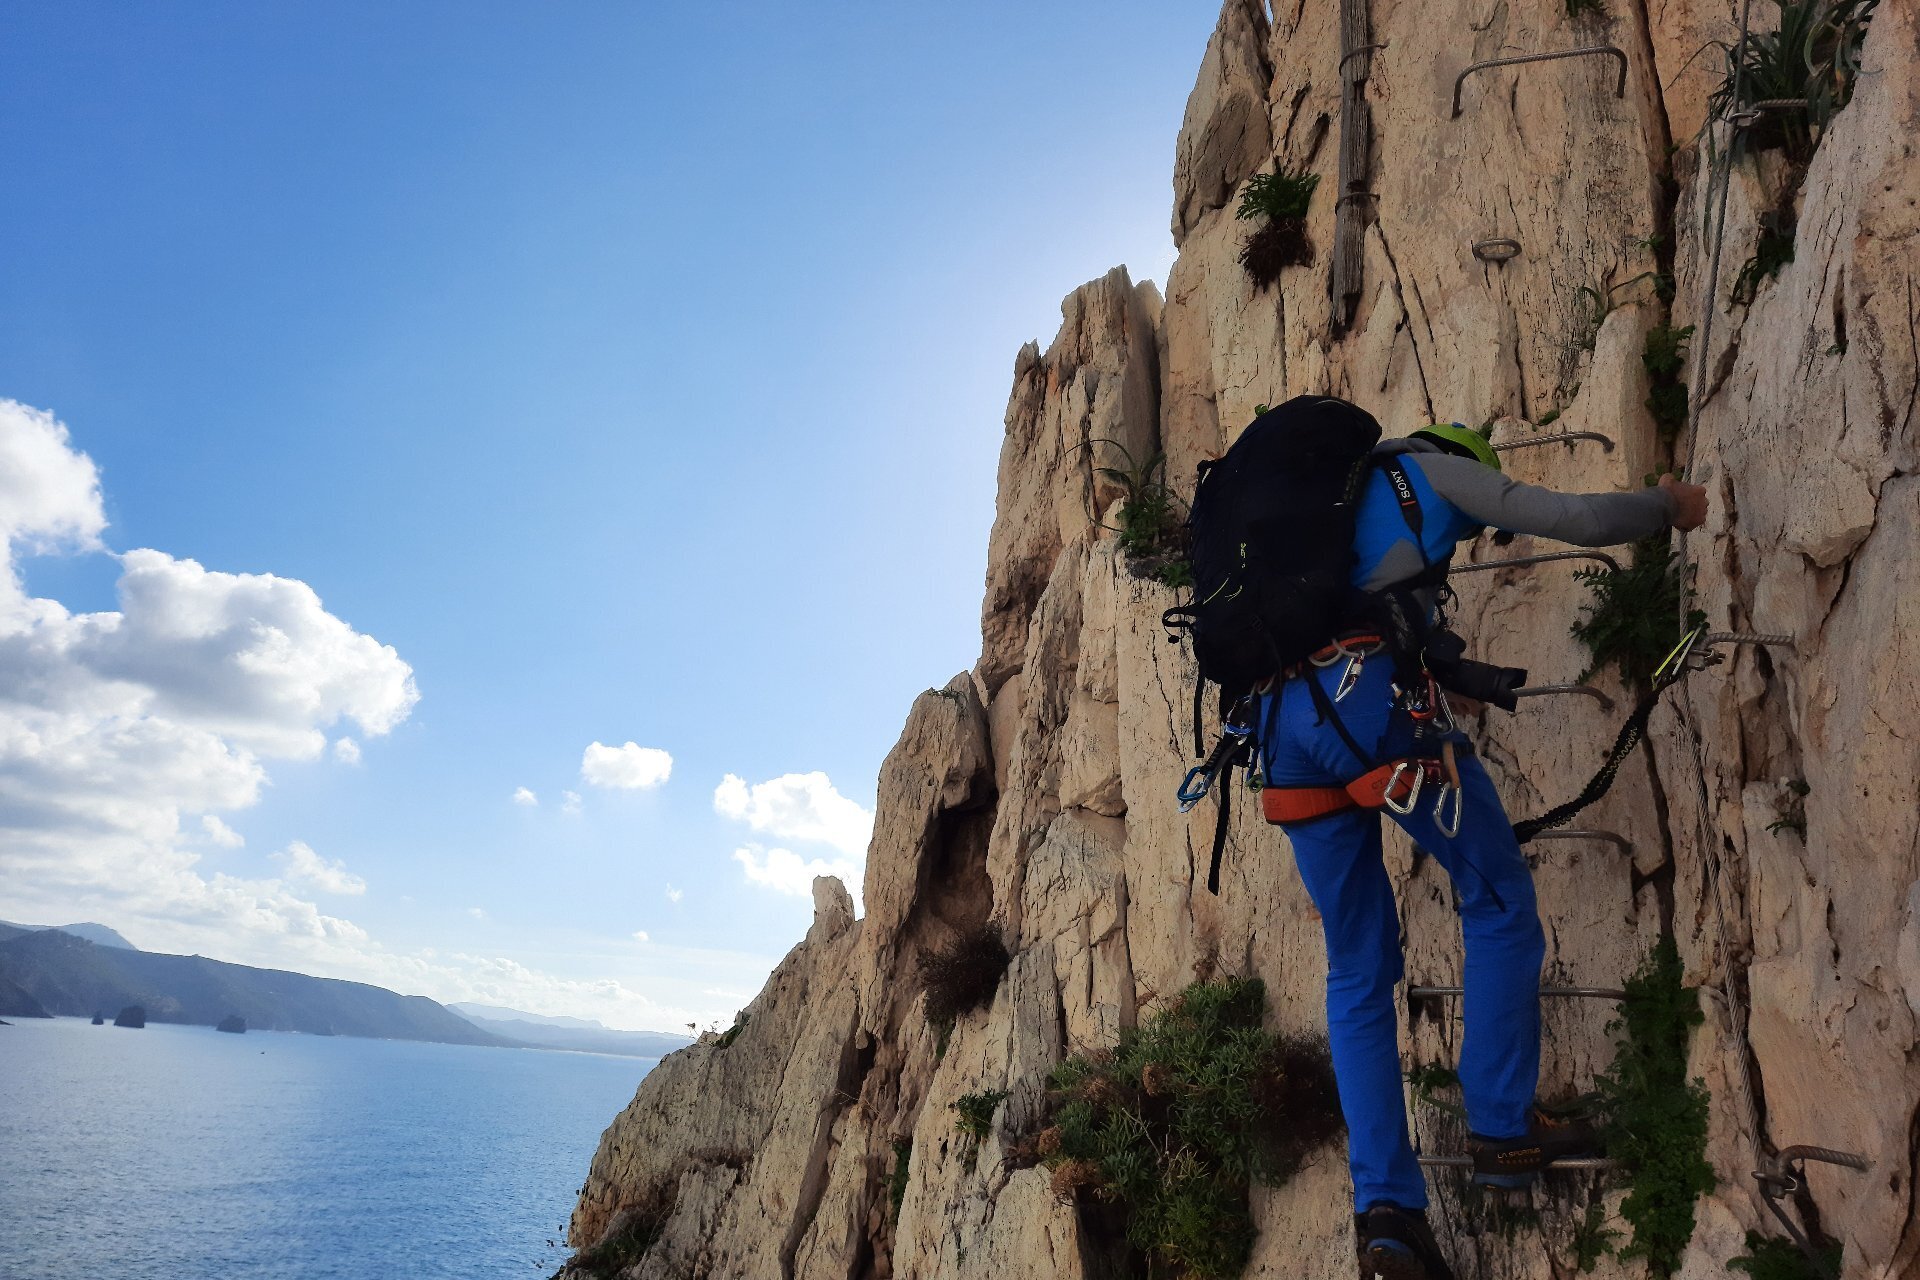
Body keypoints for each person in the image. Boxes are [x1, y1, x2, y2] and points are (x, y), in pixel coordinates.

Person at [1254, 420, 1709, 1280]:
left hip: (1282, 731)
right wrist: (1667, 507)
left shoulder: (1323, 515)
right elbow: (1573, 517)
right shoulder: (1434, 474)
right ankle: (1501, 1130)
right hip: (1369, 709)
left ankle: (1387, 1217)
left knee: (1356, 972)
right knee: (1497, 900)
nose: (1470, 539)